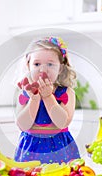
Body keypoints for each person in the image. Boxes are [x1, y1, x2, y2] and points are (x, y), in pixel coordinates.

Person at [14, 36, 80, 164]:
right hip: (30, 148)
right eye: (37, 64)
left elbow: (62, 123)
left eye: (50, 64)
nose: (43, 69)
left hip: (59, 147)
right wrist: (34, 99)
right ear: (28, 66)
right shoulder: (25, 92)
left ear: (60, 68)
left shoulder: (67, 92)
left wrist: (48, 97)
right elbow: (22, 125)